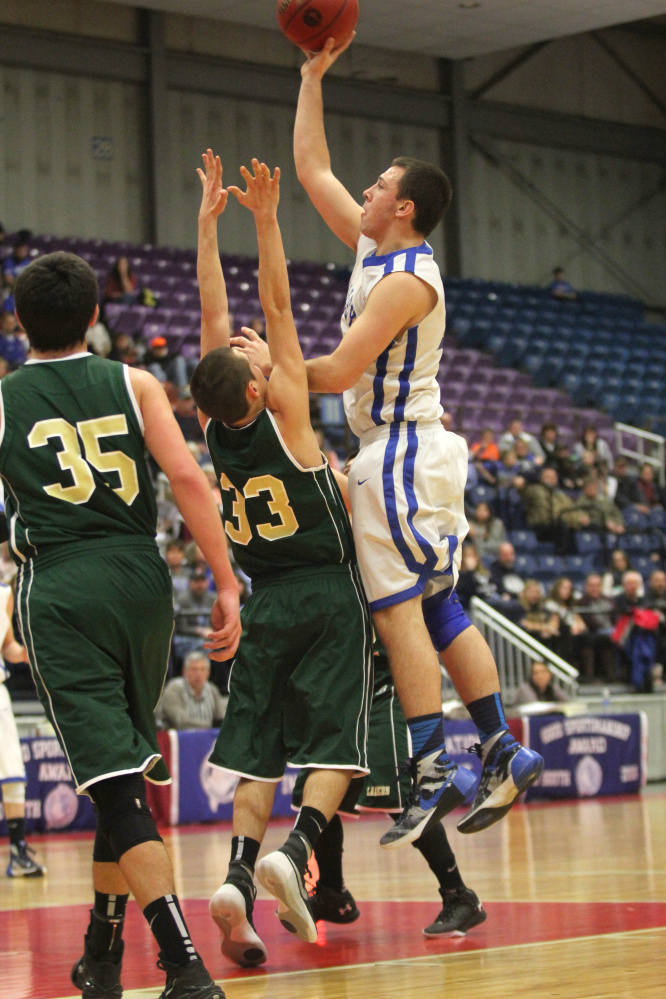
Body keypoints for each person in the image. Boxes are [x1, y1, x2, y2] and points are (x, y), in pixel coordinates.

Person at [264, 34, 541, 847]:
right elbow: (312, 167)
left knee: (397, 615)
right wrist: (313, 76)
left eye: (381, 184)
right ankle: (500, 748)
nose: (367, 187)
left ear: (405, 208)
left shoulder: (407, 279)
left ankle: (432, 761)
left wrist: (267, 372)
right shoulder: (373, 246)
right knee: (437, 601)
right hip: (409, 451)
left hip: (399, 451)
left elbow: (340, 366)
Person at [2, 251, 241, 999]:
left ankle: (183, 963)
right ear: (97, 318)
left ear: (17, 324)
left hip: (64, 582)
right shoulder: (136, 382)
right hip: (144, 578)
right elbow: (191, 481)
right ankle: (101, 955)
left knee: (114, 784)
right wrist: (228, 582)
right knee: (122, 779)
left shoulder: (5, 400)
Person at [190, 152, 372, 965]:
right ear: (257, 389)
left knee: (259, 745)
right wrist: (263, 220)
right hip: (324, 591)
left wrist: (205, 229)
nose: (251, 341)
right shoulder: (289, 411)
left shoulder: (211, 429)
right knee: (337, 744)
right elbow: (278, 300)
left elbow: (211, 318)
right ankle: (293, 857)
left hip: (263, 600)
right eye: (249, 353)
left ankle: (234, 877)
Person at [292, 640, 486, 939]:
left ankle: (459, 895)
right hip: (339, 693)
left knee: (404, 804)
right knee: (317, 797)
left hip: (382, 690)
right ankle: (332, 893)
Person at [0, 577, 45, 877]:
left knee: (12, 771)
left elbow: (9, 647)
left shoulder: (5, 593)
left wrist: (30, 650)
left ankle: (18, 850)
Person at [156, 651, 227, 730]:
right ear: (184, 671)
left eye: (202, 669)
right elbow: (180, 721)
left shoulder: (212, 689)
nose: (198, 674)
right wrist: (210, 726)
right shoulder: (174, 690)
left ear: (208, 672)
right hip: (179, 738)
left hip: (207, 738)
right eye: (194, 669)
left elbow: (221, 717)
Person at [575, 574, 616, 682]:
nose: (595, 588)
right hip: (591, 633)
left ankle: (616, 676)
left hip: (611, 632)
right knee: (597, 640)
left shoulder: (609, 600)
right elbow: (590, 623)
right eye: (592, 585)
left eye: (597, 585)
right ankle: (590, 677)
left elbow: (616, 618)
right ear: (586, 587)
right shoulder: (581, 602)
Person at [543, 577, 587, 664]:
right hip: (560, 635)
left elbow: (582, 625)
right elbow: (553, 623)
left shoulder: (572, 606)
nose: (567, 591)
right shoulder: (550, 604)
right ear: (557, 589)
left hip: (574, 635)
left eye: (569, 589)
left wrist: (577, 627)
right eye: (564, 588)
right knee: (565, 631)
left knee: (589, 640)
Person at [519, 580, 559, 645]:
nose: (534, 595)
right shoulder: (519, 607)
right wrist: (545, 628)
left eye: (537, 592)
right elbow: (525, 624)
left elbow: (553, 621)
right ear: (524, 593)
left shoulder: (542, 607)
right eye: (532, 592)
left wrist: (548, 629)